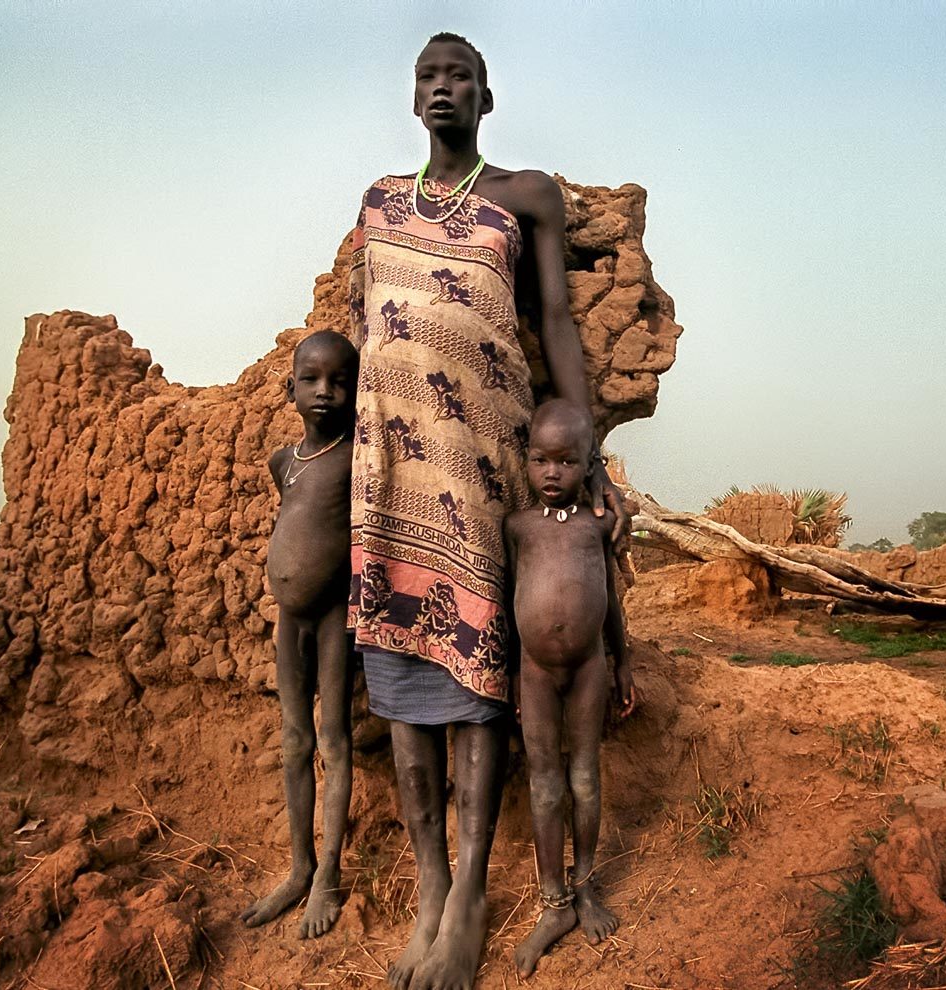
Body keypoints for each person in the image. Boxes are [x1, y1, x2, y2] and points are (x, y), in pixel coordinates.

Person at [347, 32, 630, 990]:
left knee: (474, 685)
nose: (441, 89)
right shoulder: (382, 202)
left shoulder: (525, 197)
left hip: (477, 475)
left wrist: (590, 456)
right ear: (410, 95)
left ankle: (468, 900)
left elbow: (552, 322)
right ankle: (431, 891)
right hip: (389, 482)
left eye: (457, 76)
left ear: (486, 96)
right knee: (398, 689)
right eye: (427, 76)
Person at [504, 399, 635, 977]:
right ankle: (552, 902)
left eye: (566, 461)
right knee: (545, 784)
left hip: (588, 669)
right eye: (539, 460)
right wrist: (508, 668)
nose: (551, 473)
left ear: (589, 466)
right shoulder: (517, 527)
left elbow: (611, 599)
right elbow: (509, 601)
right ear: (525, 460)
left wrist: (622, 662)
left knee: (584, 775)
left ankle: (584, 890)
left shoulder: (598, 527)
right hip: (533, 671)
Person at [240, 330, 358, 939]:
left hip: (335, 616)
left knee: (333, 741)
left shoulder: (354, 457)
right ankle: (298, 867)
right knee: (293, 741)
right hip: (291, 621)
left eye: (340, 381)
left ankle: (329, 875)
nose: (325, 392)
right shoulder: (283, 462)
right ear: (290, 388)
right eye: (311, 380)